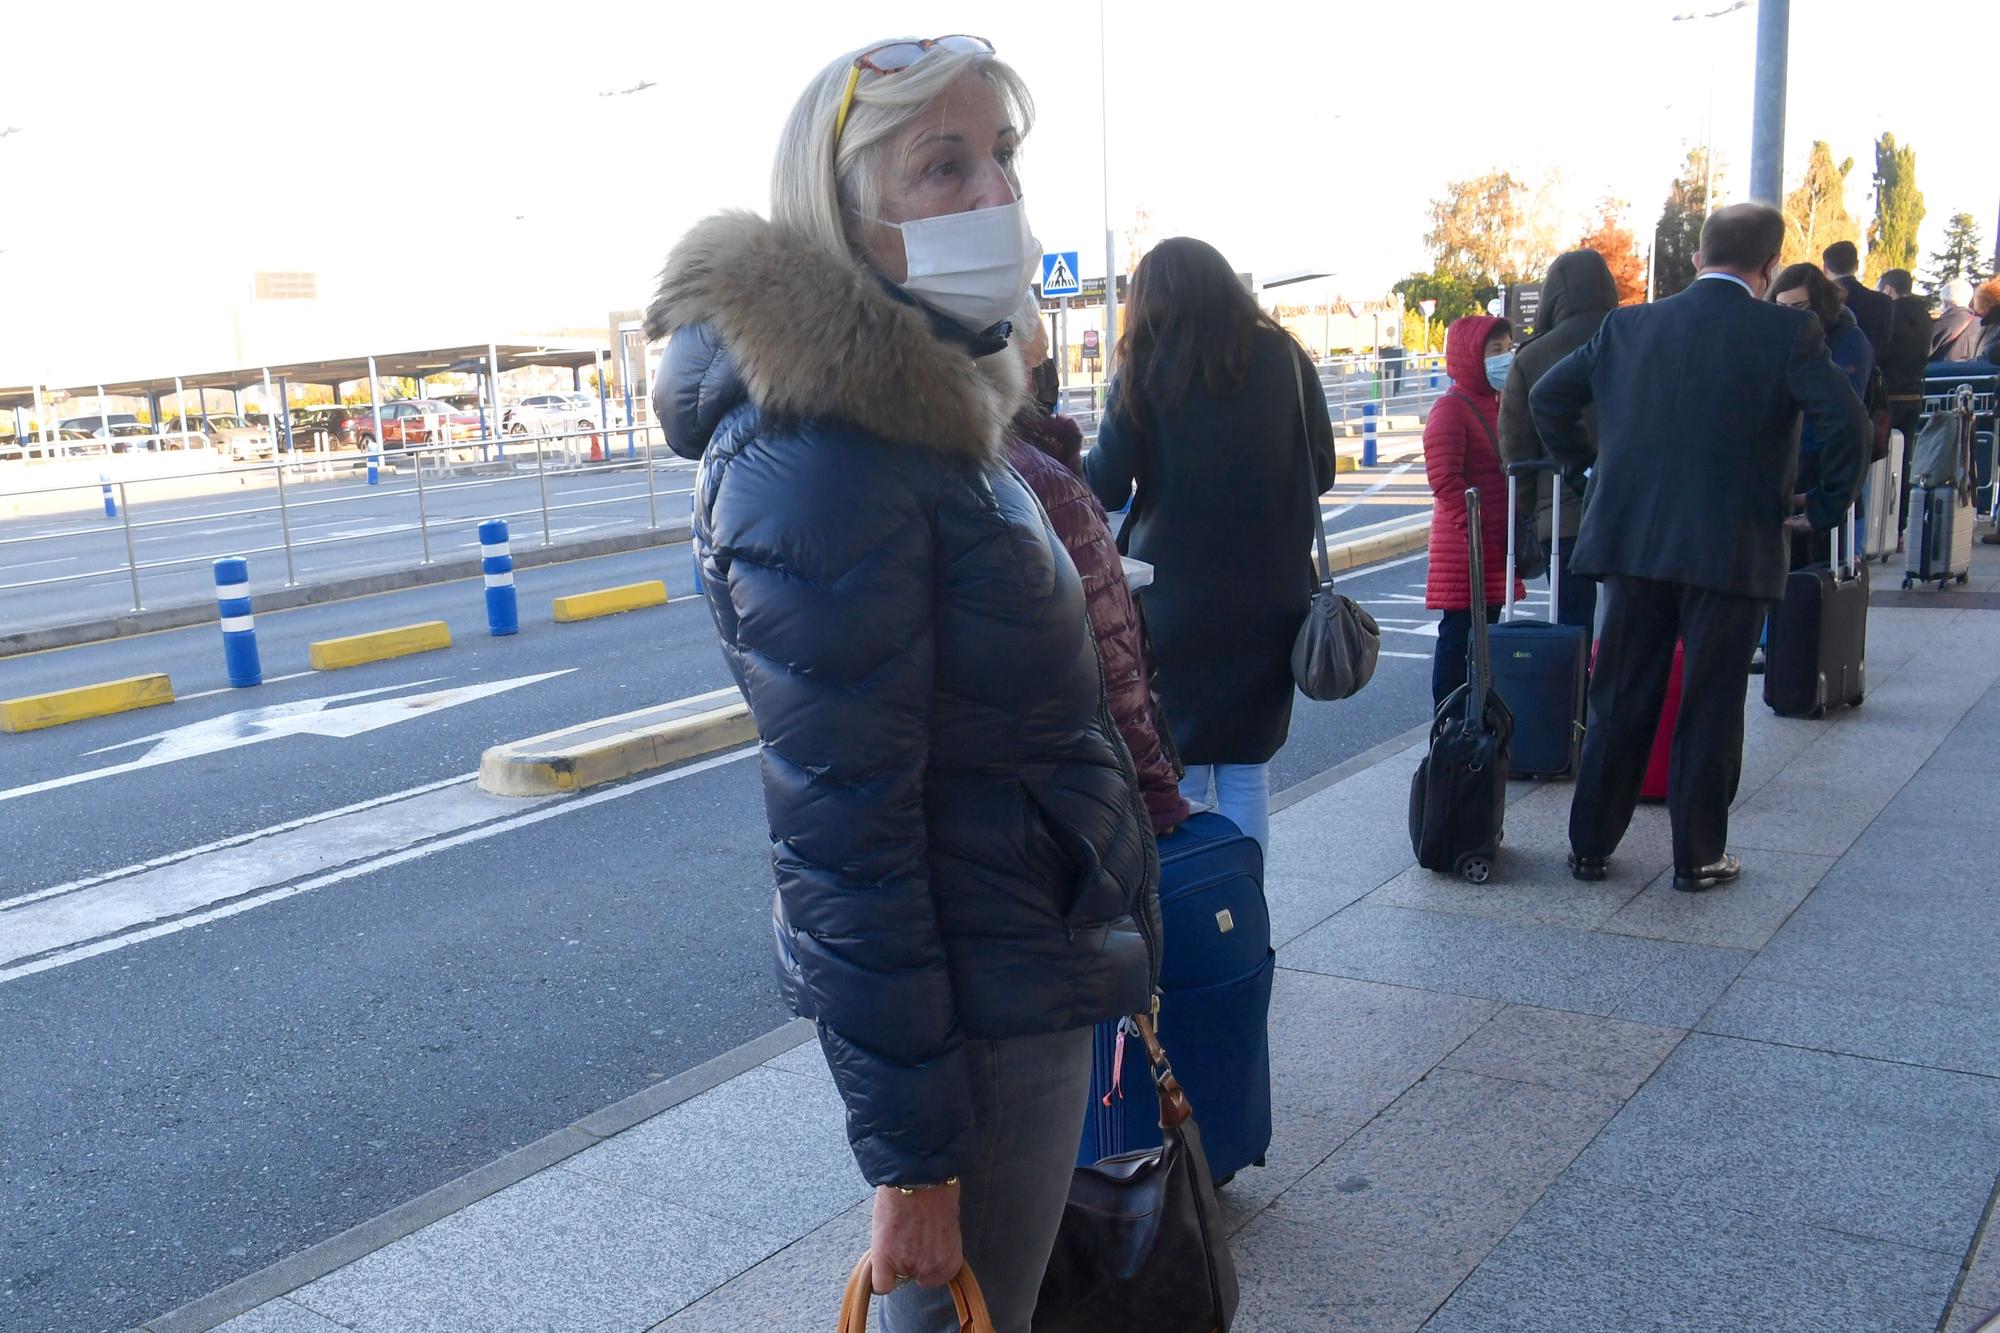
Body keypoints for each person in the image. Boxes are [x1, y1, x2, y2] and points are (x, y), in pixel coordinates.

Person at [646, 37, 1159, 1333]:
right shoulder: (823, 456)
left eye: (1002, 156)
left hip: (1017, 967)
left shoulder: (929, 418)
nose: (996, 194)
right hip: (974, 1020)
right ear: (847, 217)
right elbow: (843, 841)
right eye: (945, 165)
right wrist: (914, 1163)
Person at [1530, 203, 1867, 893]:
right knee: (1712, 703)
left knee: (1619, 695)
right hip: (1734, 547)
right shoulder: (1788, 331)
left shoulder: (1628, 325)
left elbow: (1546, 396)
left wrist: (1587, 470)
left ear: (1695, 258)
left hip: (1631, 543)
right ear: (1770, 266)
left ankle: (1589, 845)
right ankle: (1698, 856)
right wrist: (1822, 509)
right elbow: (1850, 425)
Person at [1086, 237, 1336, 856]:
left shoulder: (1145, 363)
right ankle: (1248, 904)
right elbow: (1322, 469)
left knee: (1183, 768)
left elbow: (1106, 482)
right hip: (1273, 594)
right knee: (1249, 769)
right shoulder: (1285, 356)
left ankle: (1204, 915)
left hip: (1176, 599)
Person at [1007, 304, 1191, 835]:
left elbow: (1109, 479)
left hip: (1171, 582)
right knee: (1244, 772)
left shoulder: (858, 466)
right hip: (1261, 591)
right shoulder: (1043, 480)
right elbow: (1114, 666)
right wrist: (1157, 793)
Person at [1499, 249, 1618, 632]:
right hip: (1630, 507)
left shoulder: (1532, 356)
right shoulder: (1631, 336)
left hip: (1562, 511)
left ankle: (1575, 690)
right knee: (1629, 624)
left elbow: (1516, 445)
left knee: (1570, 624)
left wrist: (1532, 512)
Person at [1422, 313, 1523, 709]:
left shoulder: (1498, 402)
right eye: (1495, 351)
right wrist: (1478, 532)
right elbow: (1444, 479)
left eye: (1507, 348)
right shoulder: (1451, 408)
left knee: (1485, 636)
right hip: (1466, 550)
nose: (1506, 358)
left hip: (1492, 546)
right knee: (1459, 636)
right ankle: (1448, 727)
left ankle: (1476, 722)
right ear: (1469, 357)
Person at [1769, 262, 1873, 568]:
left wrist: (1829, 501)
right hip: (1792, 455)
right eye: (1780, 307)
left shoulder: (1849, 339)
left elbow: (1847, 417)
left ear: (1819, 303)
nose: (1789, 314)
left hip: (1822, 457)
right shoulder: (1786, 339)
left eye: (1798, 306)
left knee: (1820, 563)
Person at [1878, 267, 1933, 540]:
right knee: (1903, 462)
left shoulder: (1891, 315)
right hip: (1914, 393)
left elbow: (1882, 351)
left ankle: (1882, 528)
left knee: (1880, 461)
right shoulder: (1924, 316)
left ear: (1888, 289)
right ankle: (1898, 528)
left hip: (1890, 394)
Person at [1822, 240, 1891, 362]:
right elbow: (1884, 347)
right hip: (1868, 374)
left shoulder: (1821, 300)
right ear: (1857, 266)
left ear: (1825, 269)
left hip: (1828, 373)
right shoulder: (1883, 302)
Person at [1932, 278, 1983, 361]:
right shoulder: (1982, 324)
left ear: (1945, 303)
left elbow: (1919, 353)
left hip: (1944, 373)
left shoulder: (1940, 325)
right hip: (1977, 373)